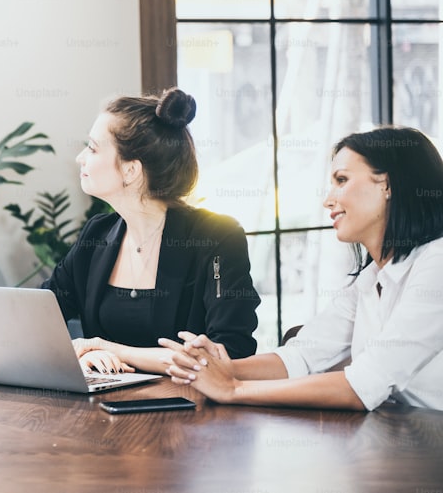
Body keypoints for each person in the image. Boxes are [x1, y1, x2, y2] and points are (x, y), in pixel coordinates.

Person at [162, 126, 443, 411]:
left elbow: (364, 384)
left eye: (342, 180)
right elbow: (301, 357)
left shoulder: (437, 264)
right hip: (398, 435)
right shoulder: (371, 281)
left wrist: (233, 389)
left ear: (388, 186)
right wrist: (217, 368)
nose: (328, 200)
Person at [42, 88, 260, 375]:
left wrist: (113, 350)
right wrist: (82, 357)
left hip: (193, 411)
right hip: (105, 413)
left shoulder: (217, 237)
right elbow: (41, 321)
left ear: (131, 170)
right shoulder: (97, 234)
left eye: (93, 148)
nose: (80, 158)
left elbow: (228, 352)